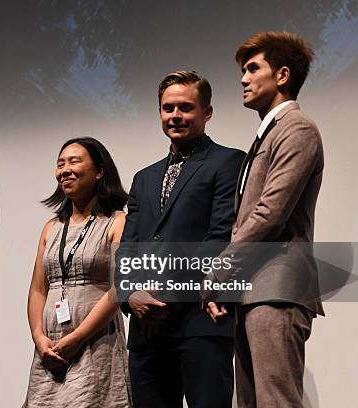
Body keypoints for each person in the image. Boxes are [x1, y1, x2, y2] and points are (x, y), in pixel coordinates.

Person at [203, 32, 324, 408]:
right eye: (243, 70)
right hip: (253, 291)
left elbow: (270, 214)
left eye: (253, 68)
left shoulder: (296, 128)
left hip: (278, 288)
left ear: (283, 75)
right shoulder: (267, 134)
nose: (243, 78)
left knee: (276, 402)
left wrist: (219, 270)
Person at [119, 71, 245, 408]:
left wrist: (161, 296)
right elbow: (127, 248)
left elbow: (221, 237)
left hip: (200, 321)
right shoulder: (143, 178)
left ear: (207, 112)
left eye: (186, 107)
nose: (175, 116)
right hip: (146, 331)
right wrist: (130, 294)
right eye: (168, 108)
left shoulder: (229, 162)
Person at [24, 137, 131, 407]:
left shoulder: (118, 222)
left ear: (99, 171)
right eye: (60, 163)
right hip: (50, 349)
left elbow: (119, 288)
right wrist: (39, 338)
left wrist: (77, 338)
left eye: (74, 161)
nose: (65, 169)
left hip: (95, 344)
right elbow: (38, 289)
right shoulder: (51, 227)